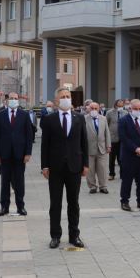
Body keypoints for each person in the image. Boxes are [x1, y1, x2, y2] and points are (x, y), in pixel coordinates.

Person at [41, 87, 88, 249]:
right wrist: (44, 166)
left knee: (73, 203)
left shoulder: (79, 118)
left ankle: (74, 235)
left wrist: (86, 164)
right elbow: (44, 145)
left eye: (68, 96)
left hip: (75, 166)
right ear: (56, 101)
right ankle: (55, 236)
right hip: (55, 167)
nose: (66, 99)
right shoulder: (49, 119)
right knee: (55, 204)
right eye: (63, 97)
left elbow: (84, 143)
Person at [0, 92, 33, 216]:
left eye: (15, 98)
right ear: (7, 100)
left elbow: (29, 136)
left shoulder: (24, 115)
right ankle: (4, 206)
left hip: (20, 154)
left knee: (19, 181)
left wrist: (28, 153)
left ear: (18, 100)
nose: (13, 100)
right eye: (11, 98)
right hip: (4, 154)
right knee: (5, 181)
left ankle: (20, 206)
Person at [85, 102, 111, 194]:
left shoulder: (103, 118)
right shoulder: (84, 119)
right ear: (88, 109)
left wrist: (108, 145)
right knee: (90, 169)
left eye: (96, 108)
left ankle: (103, 186)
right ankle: (92, 186)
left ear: (99, 109)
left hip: (102, 148)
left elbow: (107, 132)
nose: (94, 110)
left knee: (102, 168)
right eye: (92, 108)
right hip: (89, 149)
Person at [106, 99, 127, 180]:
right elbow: (106, 124)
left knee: (121, 158)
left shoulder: (125, 113)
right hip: (112, 138)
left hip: (122, 139)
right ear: (115, 105)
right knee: (112, 158)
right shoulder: (109, 112)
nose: (120, 107)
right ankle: (111, 174)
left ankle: (122, 173)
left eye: (122, 105)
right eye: (119, 105)